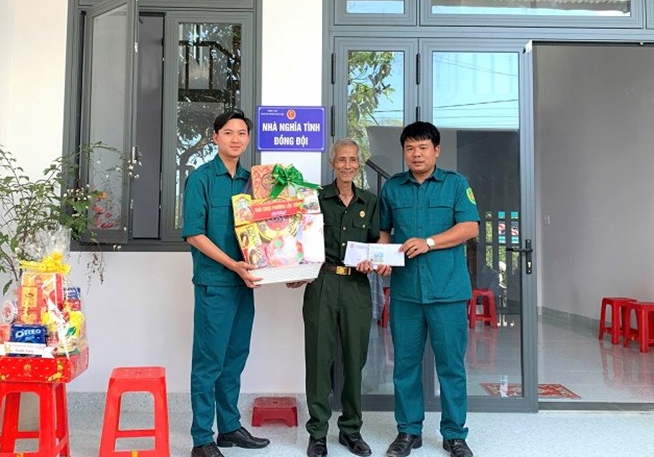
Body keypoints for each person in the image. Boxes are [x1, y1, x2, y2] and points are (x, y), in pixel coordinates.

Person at [377, 121, 480, 457]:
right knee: (405, 364)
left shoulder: (454, 184)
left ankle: (454, 434)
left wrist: (430, 242)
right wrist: (381, 257)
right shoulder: (393, 188)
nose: (416, 154)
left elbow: (469, 227)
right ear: (404, 152)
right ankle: (408, 431)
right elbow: (385, 234)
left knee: (451, 365)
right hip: (406, 292)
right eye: (410, 148)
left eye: (423, 147)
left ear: (436, 150)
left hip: (447, 291)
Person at [182, 109, 270, 457]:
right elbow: (194, 234)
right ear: (214, 136)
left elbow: (269, 228)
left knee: (234, 358)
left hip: (245, 284)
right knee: (208, 362)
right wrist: (233, 264)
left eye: (242, 133)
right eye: (229, 132)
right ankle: (202, 438)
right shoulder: (201, 178)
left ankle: (229, 428)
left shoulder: (255, 181)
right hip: (215, 283)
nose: (236, 139)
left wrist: (280, 265)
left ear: (248, 139)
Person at [288, 138, 380, 457]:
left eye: (352, 160)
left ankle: (351, 430)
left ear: (358, 163)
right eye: (341, 160)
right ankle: (317, 433)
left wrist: (375, 261)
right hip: (322, 283)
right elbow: (298, 241)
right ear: (332, 164)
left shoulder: (370, 201)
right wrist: (293, 272)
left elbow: (377, 243)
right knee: (318, 359)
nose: (347, 165)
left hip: (355, 287)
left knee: (355, 359)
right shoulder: (314, 199)